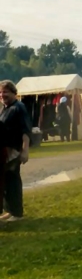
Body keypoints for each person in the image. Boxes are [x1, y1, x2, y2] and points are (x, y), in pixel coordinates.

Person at [0, 80, 32, 222]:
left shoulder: (19, 107)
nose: (2, 95)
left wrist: (25, 151)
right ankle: (11, 210)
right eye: (0, 92)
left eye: (5, 91)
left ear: (14, 92)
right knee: (6, 181)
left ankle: (17, 213)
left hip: (14, 150)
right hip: (5, 151)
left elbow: (25, 130)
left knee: (13, 181)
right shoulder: (5, 108)